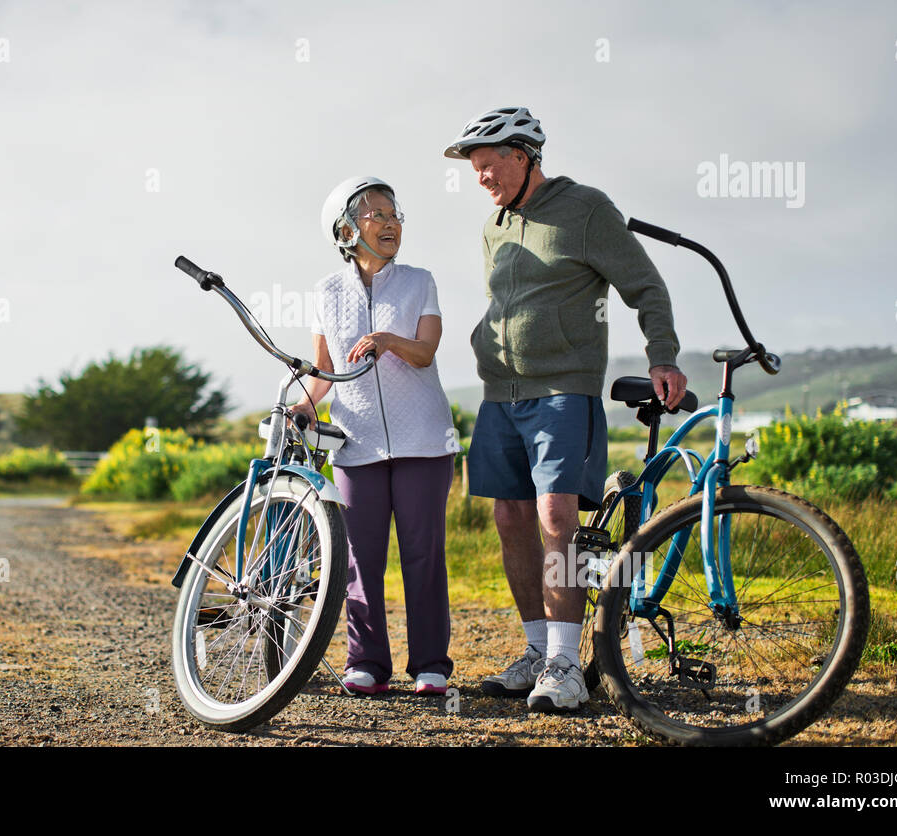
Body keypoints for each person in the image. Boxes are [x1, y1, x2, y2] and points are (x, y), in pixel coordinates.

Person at [444, 106, 687, 712]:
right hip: (500, 394)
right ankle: (535, 653)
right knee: (510, 520)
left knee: (557, 520)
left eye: (488, 165)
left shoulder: (586, 209)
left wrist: (663, 355)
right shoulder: (495, 224)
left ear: (522, 156)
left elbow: (645, 285)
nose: (481, 178)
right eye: (474, 169)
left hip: (563, 391)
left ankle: (566, 664)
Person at [287, 175, 458, 696]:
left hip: (424, 440)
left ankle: (430, 665)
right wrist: (303, 403)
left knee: (423, 555)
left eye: (394, 215)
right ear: (345, 230)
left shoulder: (419, 280)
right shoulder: (327, 292)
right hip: (356, 444)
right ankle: (366, 663)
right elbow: (324, 368)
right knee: (359, 558)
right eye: (376, 215)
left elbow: (425, 351)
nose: (389, 224)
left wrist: (387, 339)